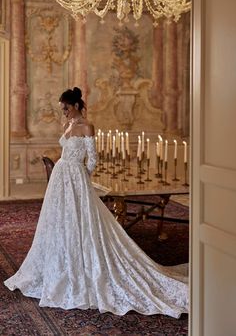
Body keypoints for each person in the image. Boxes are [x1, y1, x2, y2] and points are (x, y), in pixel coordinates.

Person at [4, 87, 188, 318]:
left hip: (76, 178)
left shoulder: (87, 126)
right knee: (60, 222)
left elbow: (93, 158)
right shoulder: (67, 125)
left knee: (82, 221)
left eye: (67, 109)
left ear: (77, 106)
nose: (64, 114)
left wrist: (82, 177)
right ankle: (60, 265)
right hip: (60, 179)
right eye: (62, 110)